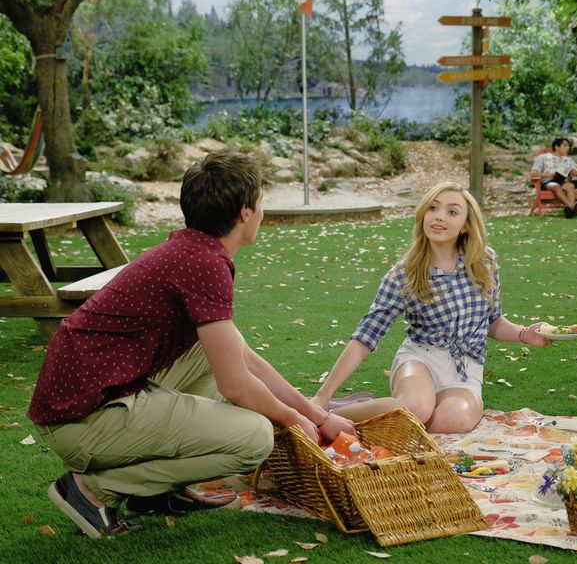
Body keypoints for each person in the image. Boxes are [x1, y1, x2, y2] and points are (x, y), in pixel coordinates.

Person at [27, 151, 355, 538]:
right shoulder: (204, 263)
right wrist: (291, 419)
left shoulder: (193, 250)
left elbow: (244, 359)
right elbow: (236, 385)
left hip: (90, 400)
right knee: (254, 438)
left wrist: (317, 415)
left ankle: (156, 493)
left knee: (212, 353)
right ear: (245, 212)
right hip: (80, 421)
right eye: (261, 202)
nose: (263, 211)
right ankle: (91, 491)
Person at [312, 181, 553, 433]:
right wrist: (322, 394)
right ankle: (321, 414)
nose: (439, 216)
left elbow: (493, 321)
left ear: (466, 224)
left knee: (454, 420)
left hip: (465, 368)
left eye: (452, 211)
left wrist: (524, 334)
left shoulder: (484, 262)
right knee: (415, 408)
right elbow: (365, 337)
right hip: (420, 359)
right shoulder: (404, 273)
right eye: (433, 208)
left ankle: (375, 409)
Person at [531, 137, 577, 218]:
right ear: (557, 147)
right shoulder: (543, 157)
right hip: (548, 182)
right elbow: (533, 173)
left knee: (570, 186)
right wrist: (548, 175)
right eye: (565, 145)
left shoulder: (568, 160)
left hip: (561, 181)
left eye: (568, 146)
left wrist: (574, 172)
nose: (568, 148)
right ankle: (571, 206)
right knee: (556, 185)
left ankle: (570, 211)